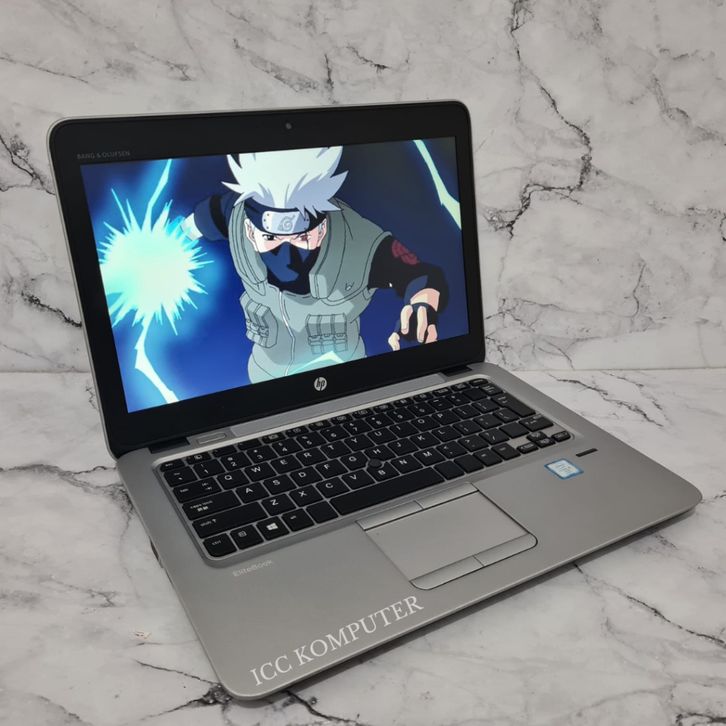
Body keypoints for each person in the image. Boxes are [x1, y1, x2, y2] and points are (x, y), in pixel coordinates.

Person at [182, 146, 448, 382]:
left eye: (302, 238)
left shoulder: (360, 241)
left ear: (322, 228)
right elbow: (200, 220)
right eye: (271, 238)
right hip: (265, 386)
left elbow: (419, 274)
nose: (287, 256)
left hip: (347, 384)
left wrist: (422, 305)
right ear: (250, 231)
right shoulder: (235, 214)